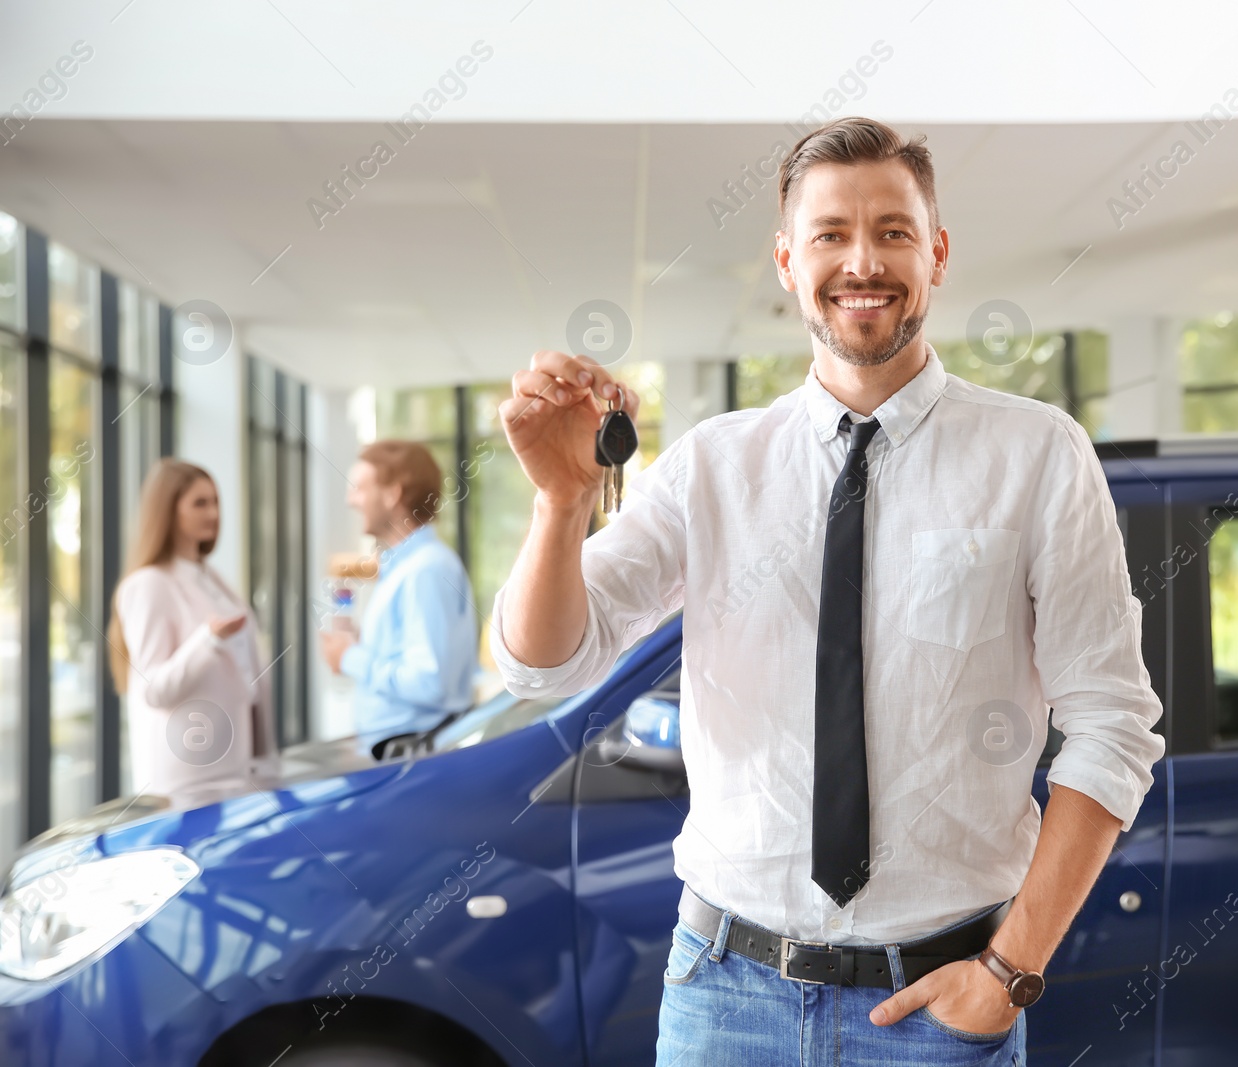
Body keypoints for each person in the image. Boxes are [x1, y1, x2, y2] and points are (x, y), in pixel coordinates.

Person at [490, 117, 1166, 1064]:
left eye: (893, 231)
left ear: (935, 253)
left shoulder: (1036, 455)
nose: (864, 261)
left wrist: (1009, 972)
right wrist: (562, 507)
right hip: (725, 997)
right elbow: (544, 661)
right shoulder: (714, 467)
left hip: (936, 1008)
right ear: (785, 259)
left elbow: (1112, 724)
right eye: (830, 234)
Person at [109, 459, 276, 794]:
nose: (213, 513)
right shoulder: (149, 584)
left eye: (215, 502)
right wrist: (208, 640)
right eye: (200, 503)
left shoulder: (212, 579)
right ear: (168, 510)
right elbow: (153, 690)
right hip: (189, 778)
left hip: (236, 766)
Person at [320, 440, 478, 753]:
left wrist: (350, 657)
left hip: (411, 752)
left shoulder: (425, 570)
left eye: (359, 488)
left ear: (393, 494)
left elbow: (430, 684)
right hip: (402, 748)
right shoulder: (407, 569)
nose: (350, 500)